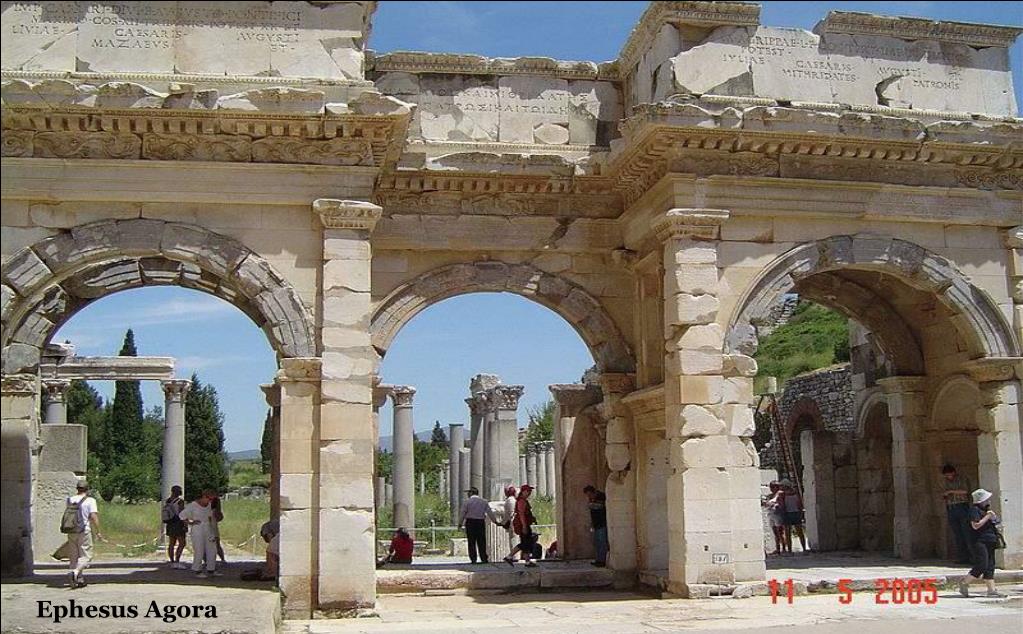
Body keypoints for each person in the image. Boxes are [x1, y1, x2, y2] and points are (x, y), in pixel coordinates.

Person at [959, 488, 1006, 598]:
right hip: (979, 541)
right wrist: (987, 517)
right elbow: (975, 525)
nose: (988, 501)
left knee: (990, 565)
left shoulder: (986, 510)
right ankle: (964, 582)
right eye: (986, 499)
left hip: (990, 540)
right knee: (982, 564)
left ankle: (991, 590)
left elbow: (996, 523)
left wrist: (994, 518)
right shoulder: (974, 510)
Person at [62, 480, 101, 589]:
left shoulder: (70, 500)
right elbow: (93, 516)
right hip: (84, 530)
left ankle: (79, 579)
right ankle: (75, 572)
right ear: (87, 489)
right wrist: (98, 531)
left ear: (77, 489)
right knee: (86, 556)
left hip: (71, 531)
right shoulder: (90, 501)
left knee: (74, 556)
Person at [179, 490, 220, 578]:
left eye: (212, 500)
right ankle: (197, 570)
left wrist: (213, 530)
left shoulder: (209, 505)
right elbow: (182, 515)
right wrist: (190, 523)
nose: (210, 501)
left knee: (212, 549)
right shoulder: (192, 505)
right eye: (209, 499)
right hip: (198, 528)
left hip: (208, 527)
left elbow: (210, 517)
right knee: (199, 550)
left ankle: (211, 569)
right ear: (204, 496)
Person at [940, 464, 973, 564]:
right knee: (957, 534)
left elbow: (965, 491)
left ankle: (972, 556)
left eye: (949, 475)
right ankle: (962, 557)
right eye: (946, 475)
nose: (948, 477)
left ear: (953, 473)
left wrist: (951, 491)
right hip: (951, 507)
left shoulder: (961, 479)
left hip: (962, 506)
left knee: (966, 532)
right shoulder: (945, 482)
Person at [458, 487, 501, 563]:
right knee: (481, 540)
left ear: (471, 493)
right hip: (480, 522)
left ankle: (473, 559)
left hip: (470, 522)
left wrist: (460, 524)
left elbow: (462, 513)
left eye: (468, 492)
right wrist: (495, 521)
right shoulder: (484, 501)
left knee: (471, 541)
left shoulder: (467, 502)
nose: (468, 494)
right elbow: (490, 512)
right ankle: (483, 558)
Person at [503, 484, 539, 567]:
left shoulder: (523, 500)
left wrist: (532, 519)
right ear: (523, 492)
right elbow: (521, 514)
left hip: (525, 524)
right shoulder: (521, 501)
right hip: (523, 525)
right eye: (527, 491)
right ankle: (509, 556)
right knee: (525, 543)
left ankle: (526, 561)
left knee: (526, 543)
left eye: (530, 491)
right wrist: (524, 526)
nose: (529, 492)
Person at [161, 485, 188, 569]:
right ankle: (177, 561)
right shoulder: (180, 501)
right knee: (182, 543)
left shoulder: (168, 501)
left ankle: (172, 561)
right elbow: (182, 514)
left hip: (170, 523)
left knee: (171, 543)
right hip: (178, 523)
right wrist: (185, 524)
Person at [584, 485, 609, 567]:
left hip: (602, 523)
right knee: (597, 543)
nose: (589, 496)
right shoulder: (592, 499)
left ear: (593, 492)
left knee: (602, 542)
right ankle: (598, 560)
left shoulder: (601, 496)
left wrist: (591, 504)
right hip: (596, 524)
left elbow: (600, 506)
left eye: (589, 494)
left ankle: (602, 561)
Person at [780, 479, 807, 553]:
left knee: (788, 533)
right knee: (799, 532)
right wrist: (801, 513)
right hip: (796, 513)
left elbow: (782, 505)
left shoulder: (783, 495)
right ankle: (804, 548)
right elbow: (800, 504)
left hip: (788, 514)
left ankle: (790, 550)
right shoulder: (796, 493)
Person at [763, 482, 786, 555]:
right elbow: (767, 504)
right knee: (775, 533)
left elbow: (780, 503)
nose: (771, 488)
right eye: (771, 487)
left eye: (773, 487)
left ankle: (784, 548)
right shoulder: (770, 496)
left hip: (777, 514)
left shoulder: (780, 494)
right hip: (771, 514)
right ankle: (778, 548)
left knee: (780, 532)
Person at [210, 494, 226, 564]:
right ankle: (222, 559)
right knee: (217, 545)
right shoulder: (215, 511)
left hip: (208, 528)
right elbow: (220, 518)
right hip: (213, 528)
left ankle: (208, 560)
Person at [502, 485, 518, 553]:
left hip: (513, 523)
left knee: (513, 541)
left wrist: (503, 522)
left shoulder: (510, 500)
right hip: (516, 522)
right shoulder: (514, 499)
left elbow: (509, 514)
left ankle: (514, 555)